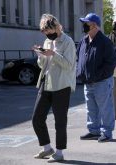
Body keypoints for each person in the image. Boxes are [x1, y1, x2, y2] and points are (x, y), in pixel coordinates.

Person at [32, 14, 77, 163]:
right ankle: (47, 148)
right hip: (46, 83)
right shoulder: (46, 41)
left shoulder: (68, 41)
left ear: (56, 28)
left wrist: (53, 54)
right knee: (37, 118)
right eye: (45, 33)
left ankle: (59, 152)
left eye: (49, 32)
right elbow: (42, 65)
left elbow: (69, 65)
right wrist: (40, 55)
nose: (48, 35)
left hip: (61, 85)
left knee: (60, 121)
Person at [76, 13, 116, 142]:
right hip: (88, 82)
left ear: (94, 26)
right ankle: (94, 131)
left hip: (102, 82)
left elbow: (111, 63)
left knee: (105, 108)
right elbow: (79, 58)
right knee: (91, 108)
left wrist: (99, 75)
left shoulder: (105, 41)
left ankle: (107, 133)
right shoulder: (83, 40)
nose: (84, 26)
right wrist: (80, 72)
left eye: (86, 24)